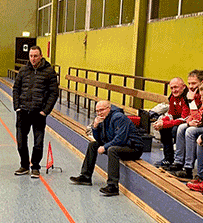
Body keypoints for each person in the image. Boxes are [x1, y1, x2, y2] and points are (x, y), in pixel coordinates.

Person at [69, 100, 145, 196]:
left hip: (133, 148)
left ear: (109, 108)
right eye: (97, 111)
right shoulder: (102, 118)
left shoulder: (118, 117)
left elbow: (120, 139)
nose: (99, 113)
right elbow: (100, 139)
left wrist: (104, 147)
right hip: (120, 145)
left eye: (102, 110)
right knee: (93, 144)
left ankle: (113, 186)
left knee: (111, 150)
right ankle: (85, 176)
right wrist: (95, 127)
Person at [12, 45, 59, 178]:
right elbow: (16, 89)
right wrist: (17, 107)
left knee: (38, 143)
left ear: (41, 56)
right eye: (31, 56)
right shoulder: (23, 70)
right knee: (21, 142)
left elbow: (54, 93)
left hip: (39, 113)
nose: (33, 58)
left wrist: (45, 111)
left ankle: (36, 167)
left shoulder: (49, 71)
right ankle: (24, 165)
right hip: (23, 112)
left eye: (36, 56)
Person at [152, 77, 191, 169]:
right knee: (164, 129)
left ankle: (180, 161)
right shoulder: (172, 97)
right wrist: (162, 121)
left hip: (186, 123)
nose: (174, 90)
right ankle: (168, 158)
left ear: (184, 87)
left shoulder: (187, 98)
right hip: (177, 121)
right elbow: (171, 114)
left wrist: (165, 124)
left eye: (176, 87)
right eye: (172, 88)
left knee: (175, 130)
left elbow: (184, 118)